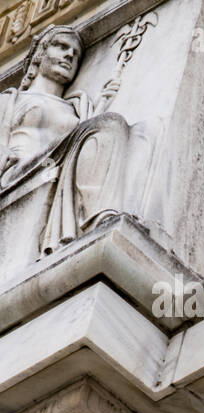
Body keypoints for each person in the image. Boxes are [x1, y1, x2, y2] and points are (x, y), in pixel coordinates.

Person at [0, 24, 131, 257]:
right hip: (18, 171)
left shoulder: (77, 107)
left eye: (76, 53)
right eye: (61, 47)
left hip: (60, 162)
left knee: (113, 124)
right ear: (40, 55)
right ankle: (97, 222)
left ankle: (100, 219)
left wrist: (101, 105)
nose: (69, 54)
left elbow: (86, 143)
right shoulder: (12, 99)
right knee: (108, 125)